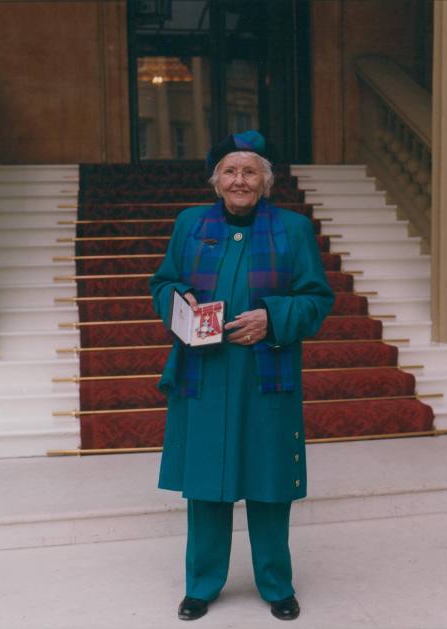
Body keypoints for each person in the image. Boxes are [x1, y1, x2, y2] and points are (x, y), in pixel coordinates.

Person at [150, 130, 334, 621]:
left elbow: (317, 300)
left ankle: (276, 584)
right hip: (204, 373)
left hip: (266, 375)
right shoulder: (190, 223)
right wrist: (179, 300)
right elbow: (164, 280)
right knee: (207, 482)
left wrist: (272, 319)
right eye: (230, 171)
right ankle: (202, 585)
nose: (239, 180)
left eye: (250, 171)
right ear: (216, 180)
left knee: (270, 480)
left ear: (266, 180)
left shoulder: (292, 230)